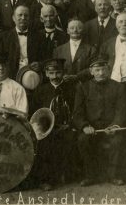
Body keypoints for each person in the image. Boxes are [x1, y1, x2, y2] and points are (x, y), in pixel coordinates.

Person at [73, 55, 126, 186]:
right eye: (97, 70)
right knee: (83, 140)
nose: (101, 73)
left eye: (104, 69)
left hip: (111, 128)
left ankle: (114, 176)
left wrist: (115, 125)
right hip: (92, 128)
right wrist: (85, 126)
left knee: (118, 141)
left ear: (108, 70)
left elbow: (122, 111)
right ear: (91, 71)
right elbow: (77, 113)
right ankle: (90, 176)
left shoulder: (118, 87)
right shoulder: (83, 88)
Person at [32, 58, 78, 190]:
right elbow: (36, 113)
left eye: (58, 73)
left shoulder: (72, 89)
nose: (55, 76)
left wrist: (70, 124)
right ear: (46, 74)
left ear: (63, 72)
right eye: (51, 73)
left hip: (67, 126)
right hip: (48, 128)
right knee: (45, 144)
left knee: (70, 139)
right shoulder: (41, 90)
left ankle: (66, 174)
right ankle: (46, 179)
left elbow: (77, 109)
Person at [0, 6, 45, 79]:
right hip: (10, 77)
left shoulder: (39, 36)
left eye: (26, 15)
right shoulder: (3, 37)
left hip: (33, 76)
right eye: (20, 15)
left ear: (29, 18)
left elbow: (46, 58)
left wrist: (40, 64)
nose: (23, 18)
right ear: (13, 18)